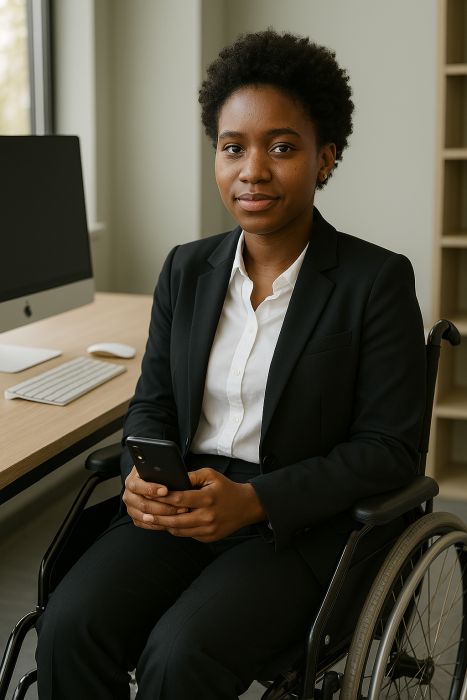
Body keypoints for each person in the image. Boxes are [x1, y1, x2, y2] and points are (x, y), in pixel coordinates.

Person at [36, 29, 426, 699]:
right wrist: (138, 477)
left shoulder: (375, 281)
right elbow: (152, 401)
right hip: (185, 502)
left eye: (281, 147)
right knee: (69, 626)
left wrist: (253, 502)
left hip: (297, 524)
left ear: (324, 158)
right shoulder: (186, 269)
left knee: (179, 656)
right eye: (232, 147)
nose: (252, 170)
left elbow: (388, 450)